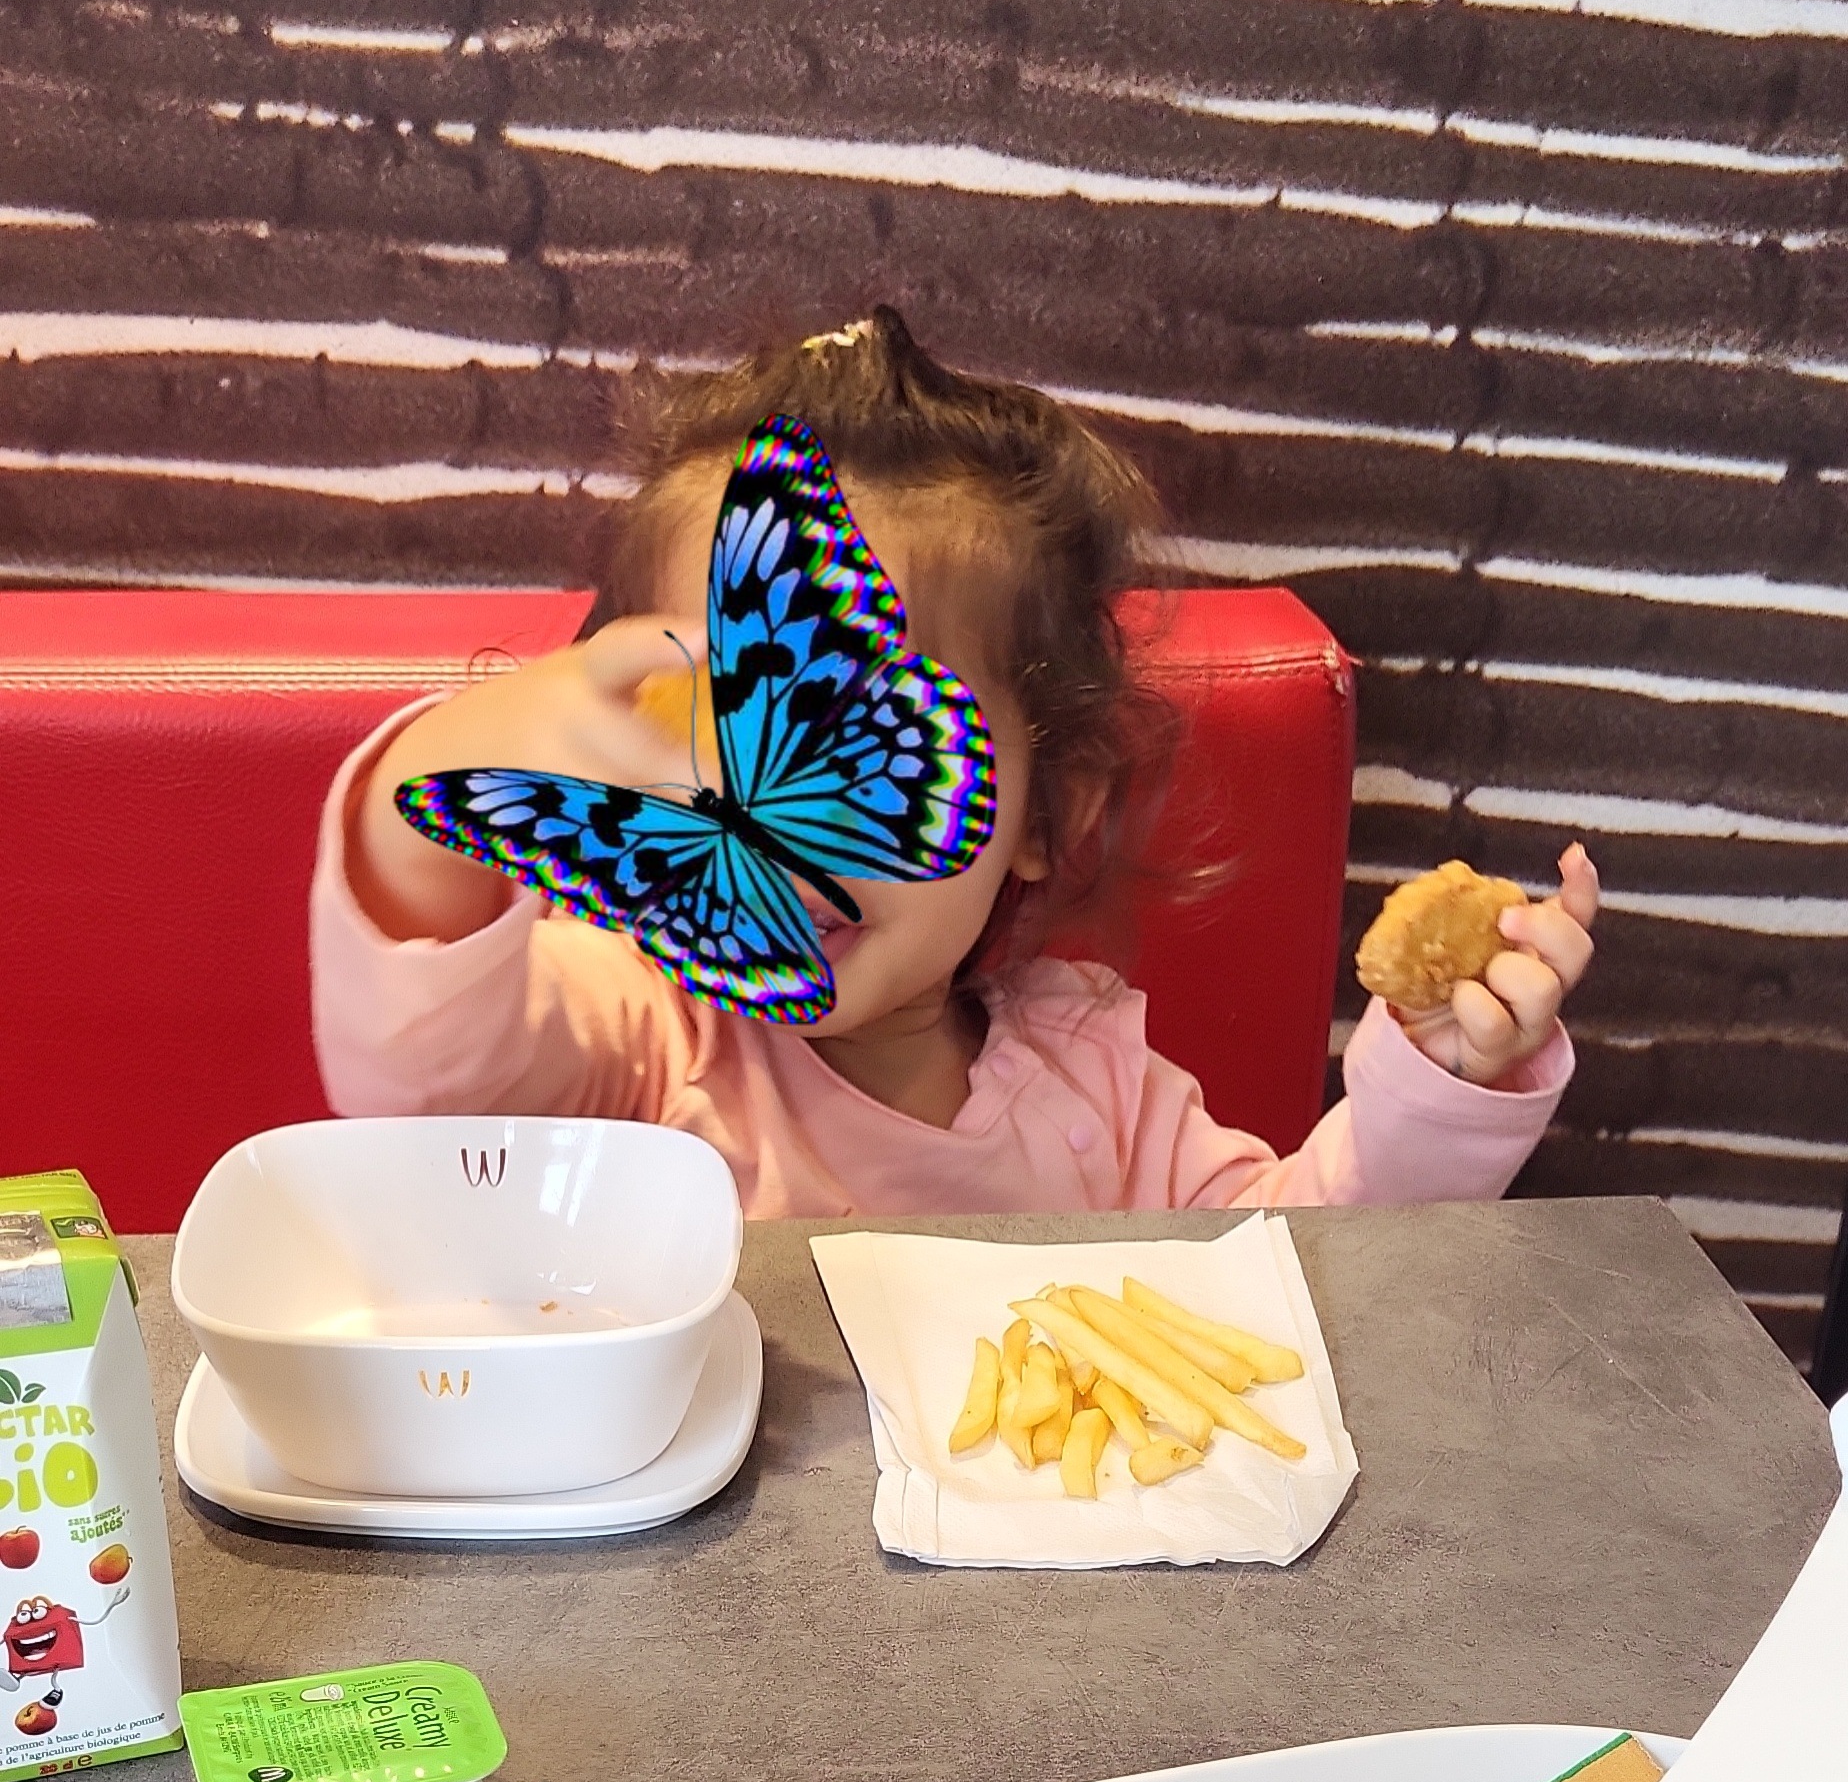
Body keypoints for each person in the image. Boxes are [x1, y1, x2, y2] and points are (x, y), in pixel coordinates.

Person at [313, 308, 1597, 1219]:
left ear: (1047, 811)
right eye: (702, 745)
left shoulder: (1098, 1093)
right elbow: (426, 1082)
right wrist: (443, 792)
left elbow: (1290, 1275)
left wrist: (1445, 1081)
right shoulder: (640, 1035)